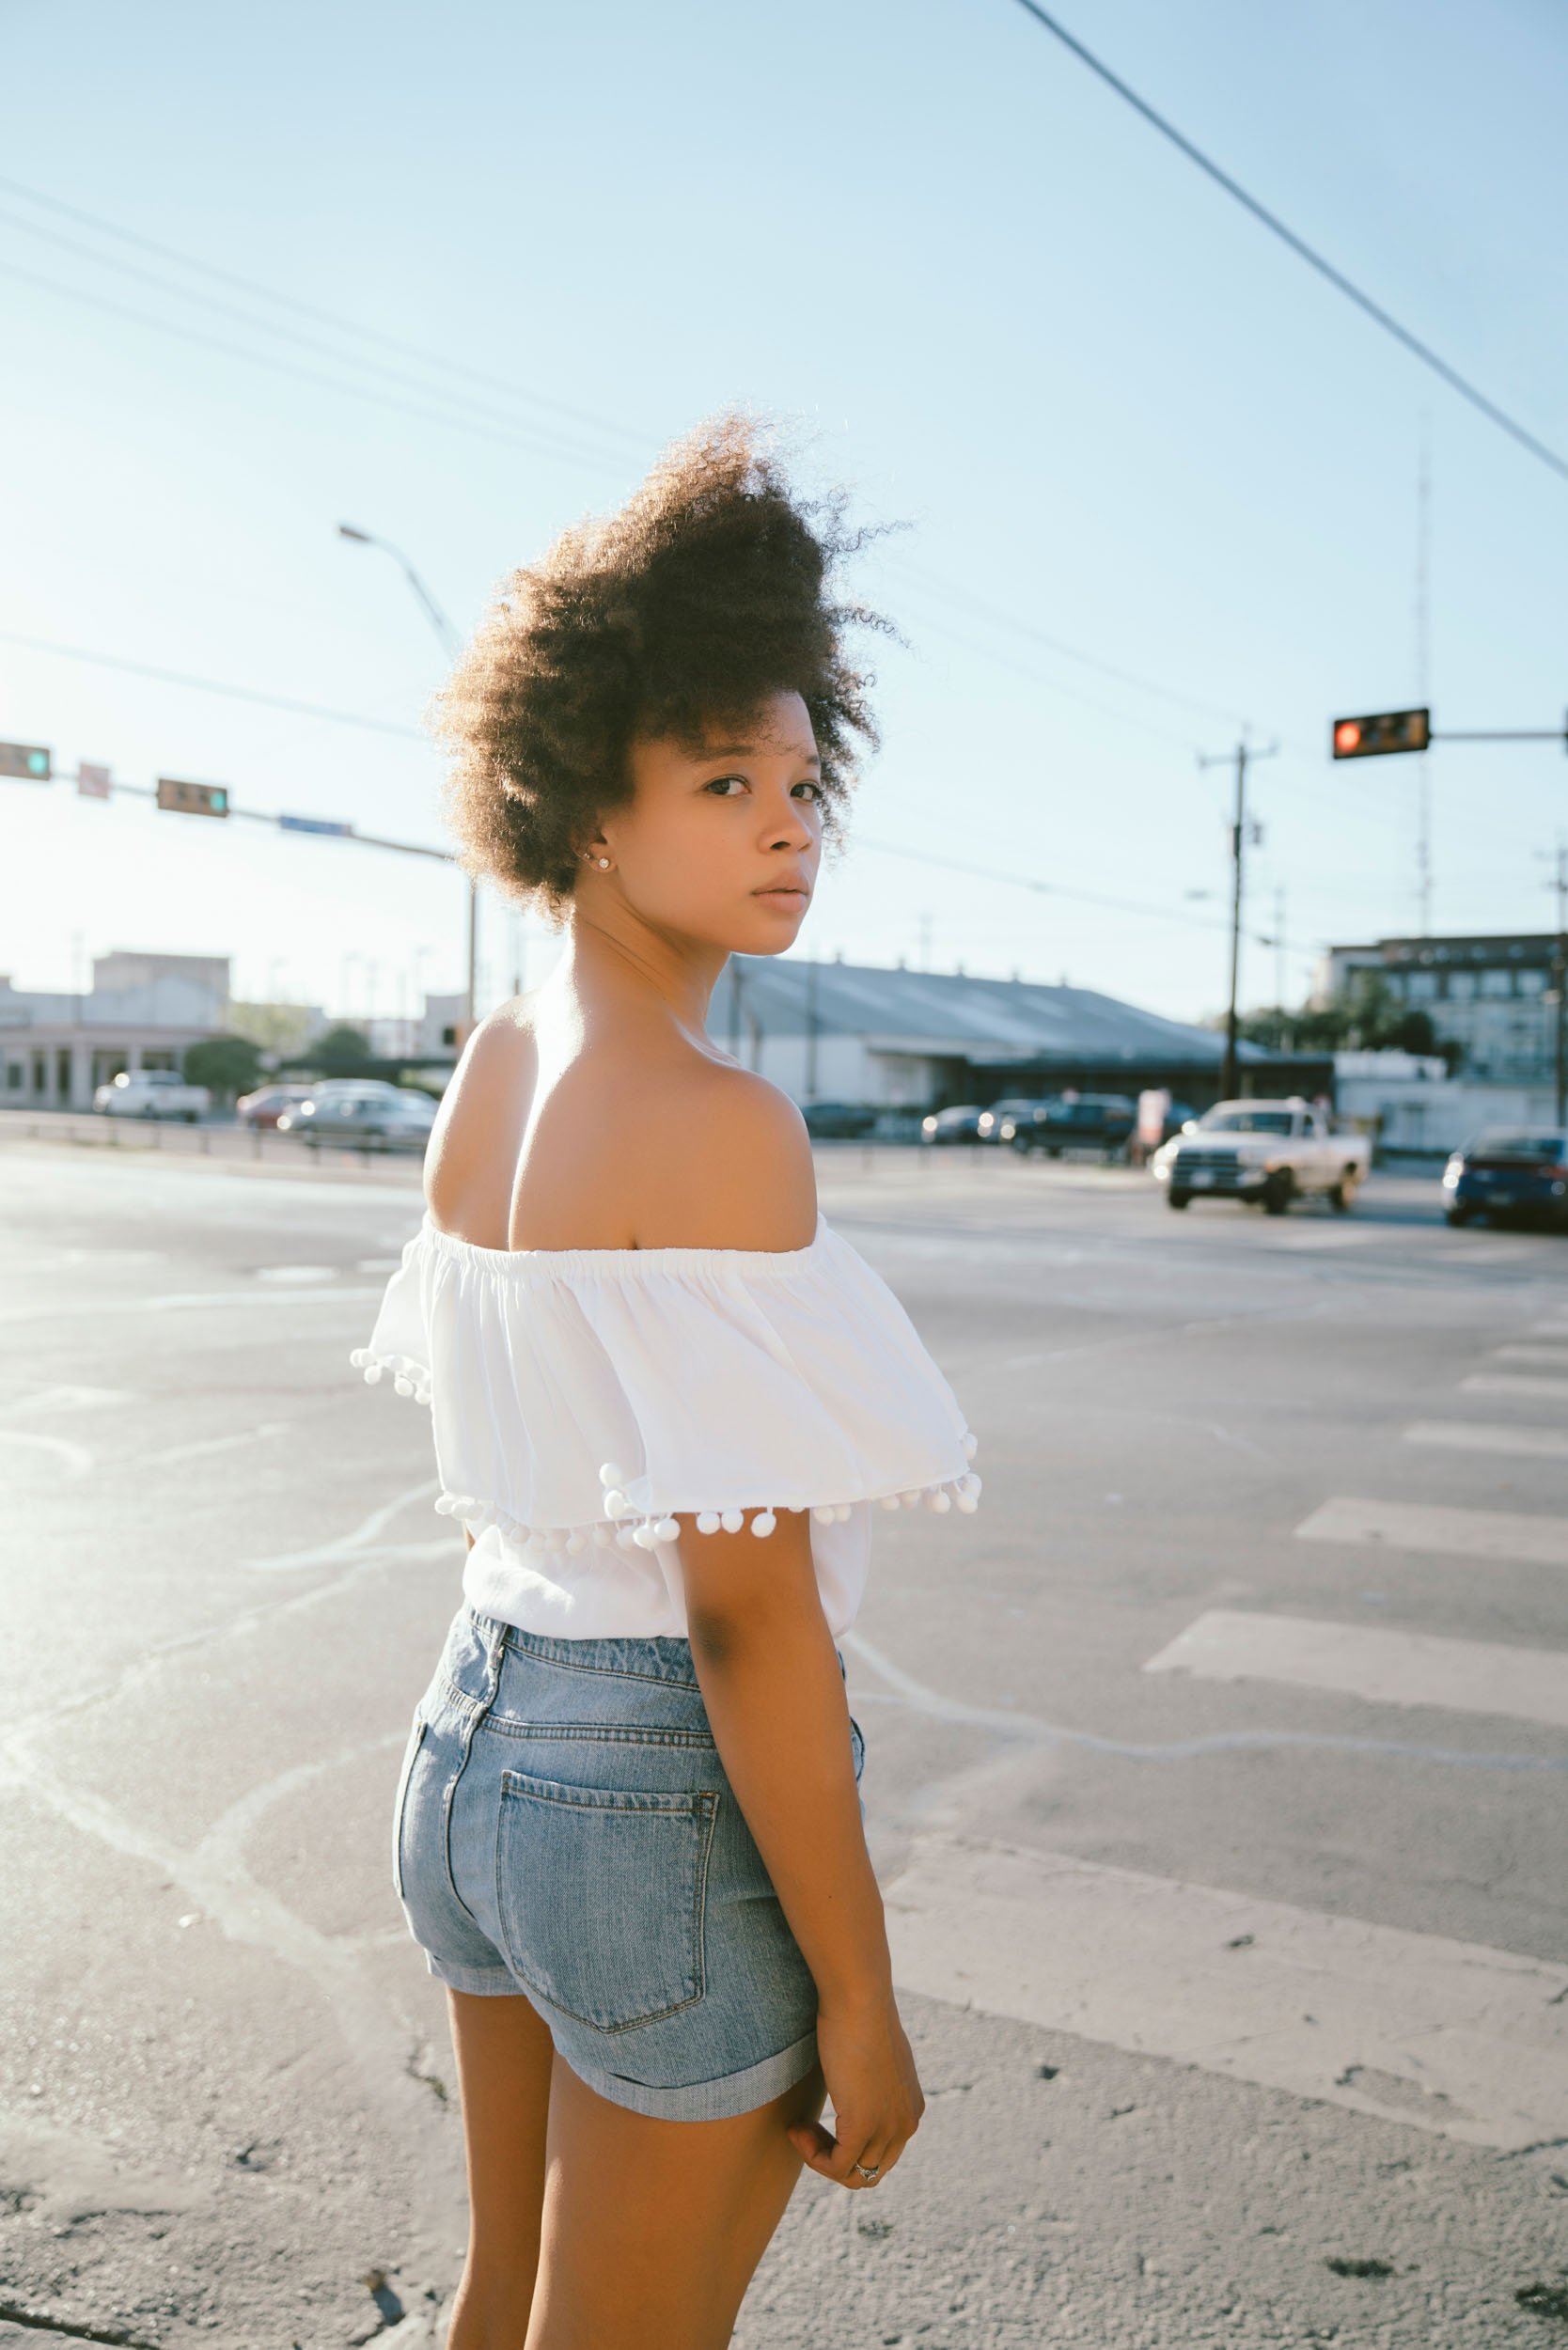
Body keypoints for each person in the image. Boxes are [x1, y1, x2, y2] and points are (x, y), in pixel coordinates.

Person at [352, 415, 980, 2350]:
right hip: (641, 1793)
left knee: (499, 2311)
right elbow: (741, 1614)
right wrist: (862, 1999)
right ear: (585, 803)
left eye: (803, 776)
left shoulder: (494, 1063)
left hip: (467, 1748)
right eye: (727, 776)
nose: (793, 820)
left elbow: (503, 1471)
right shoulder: (718, 1122)